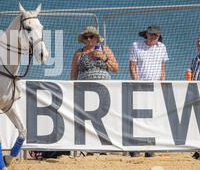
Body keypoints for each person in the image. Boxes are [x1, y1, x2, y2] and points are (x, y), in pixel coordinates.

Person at [68, 26, 118, 157]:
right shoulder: (79, 53)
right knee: (87, 118)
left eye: (92, 36)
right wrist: (73, 89)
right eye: (86, 37)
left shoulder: (105, 49)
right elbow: (73, 73)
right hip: (85, 89)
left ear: (97, 38)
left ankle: (104, 147)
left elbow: (115, 68)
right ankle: (88, 148)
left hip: (103, 89)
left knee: (103, 117)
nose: (89, 39)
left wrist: (104, 58)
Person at [128, 25, 169, 158]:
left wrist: (163, 83)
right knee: (138, 116)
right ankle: (135, 148)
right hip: (140, 85)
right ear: (146, 34)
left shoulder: (162, 47)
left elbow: (163, 68)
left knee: (153, 117)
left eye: (156, 35)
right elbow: (132, 66)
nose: (153, 37)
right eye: (151, 34)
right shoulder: (136, 45)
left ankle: (149, 148)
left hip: (156, 86)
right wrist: (136, 83)